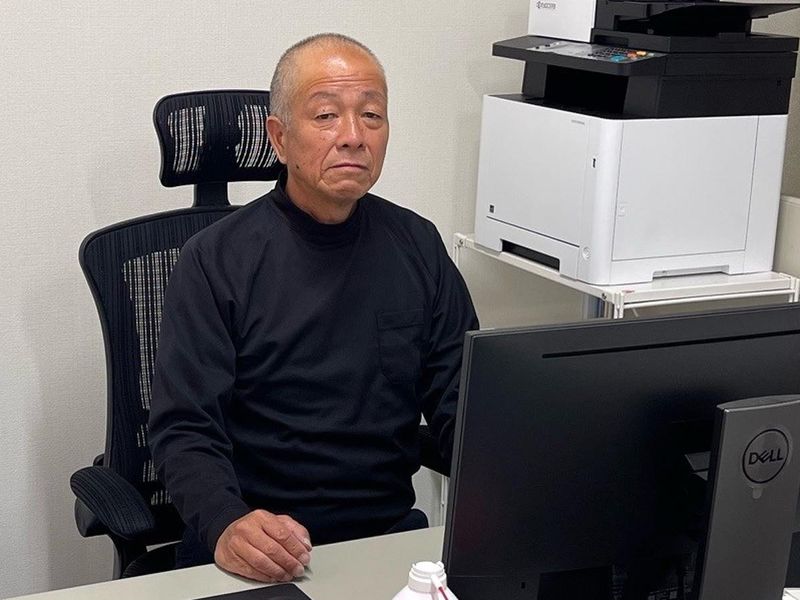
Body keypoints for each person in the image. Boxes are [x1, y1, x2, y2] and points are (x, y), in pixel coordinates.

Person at [148, 33, 478, 584]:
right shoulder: (215, 261)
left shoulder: (417, 245)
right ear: (279, 138)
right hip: (258, 545)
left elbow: (461, 399)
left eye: (371, 115)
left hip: (384, 539)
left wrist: (513, 483)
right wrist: (226, 522)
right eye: (326, 115)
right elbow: (184, 428)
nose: (353, 136)